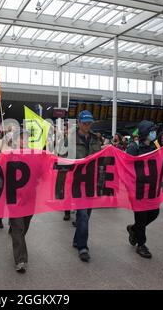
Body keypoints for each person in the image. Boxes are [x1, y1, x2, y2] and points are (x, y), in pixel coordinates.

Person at [71, 110, 101, 262]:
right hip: (76, 182)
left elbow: (101, 161)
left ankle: (77, 239)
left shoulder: (96, 139)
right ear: (78, 122)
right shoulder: (69, 139)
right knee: (82, 214)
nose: (87, 125)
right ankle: (83, 247)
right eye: (85, 122)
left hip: (91, 181)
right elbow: (62, 159)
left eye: (90, 122)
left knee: (86, 215)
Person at [126, 120, 159, 259]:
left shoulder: (154, 146)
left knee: (154, 213)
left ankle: (133, 229)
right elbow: (127, 165)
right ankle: (141, 244)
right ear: (145, 132)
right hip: (137, 188)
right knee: (141, 217)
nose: (154, 134)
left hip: (151, 187)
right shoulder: (134, 147)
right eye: (152, 131)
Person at [2, 129, 33, 273]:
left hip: (30, 196)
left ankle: (15, 231)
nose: (23, 141)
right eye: (20, 138)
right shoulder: (8, 154)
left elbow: (41, 172)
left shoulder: (34, 154)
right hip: (13, 196)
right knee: (18, 227)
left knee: (25, 224)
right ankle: (21, 259)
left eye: (25, 139)